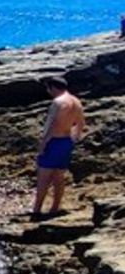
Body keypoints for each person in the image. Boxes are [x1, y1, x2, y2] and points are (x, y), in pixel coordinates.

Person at [32, 75, 87, 218]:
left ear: (53, 88)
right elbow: (81, 123)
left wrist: (43, 144)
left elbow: (53, 125)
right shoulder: (76, 101)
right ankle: (55, 207)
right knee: (59, 176)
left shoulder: (58, 102)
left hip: (54, 142)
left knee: (43, 177)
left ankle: (37, 210)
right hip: (66, 141)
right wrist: (74, 137)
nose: (48, 91)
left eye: (48, 88)